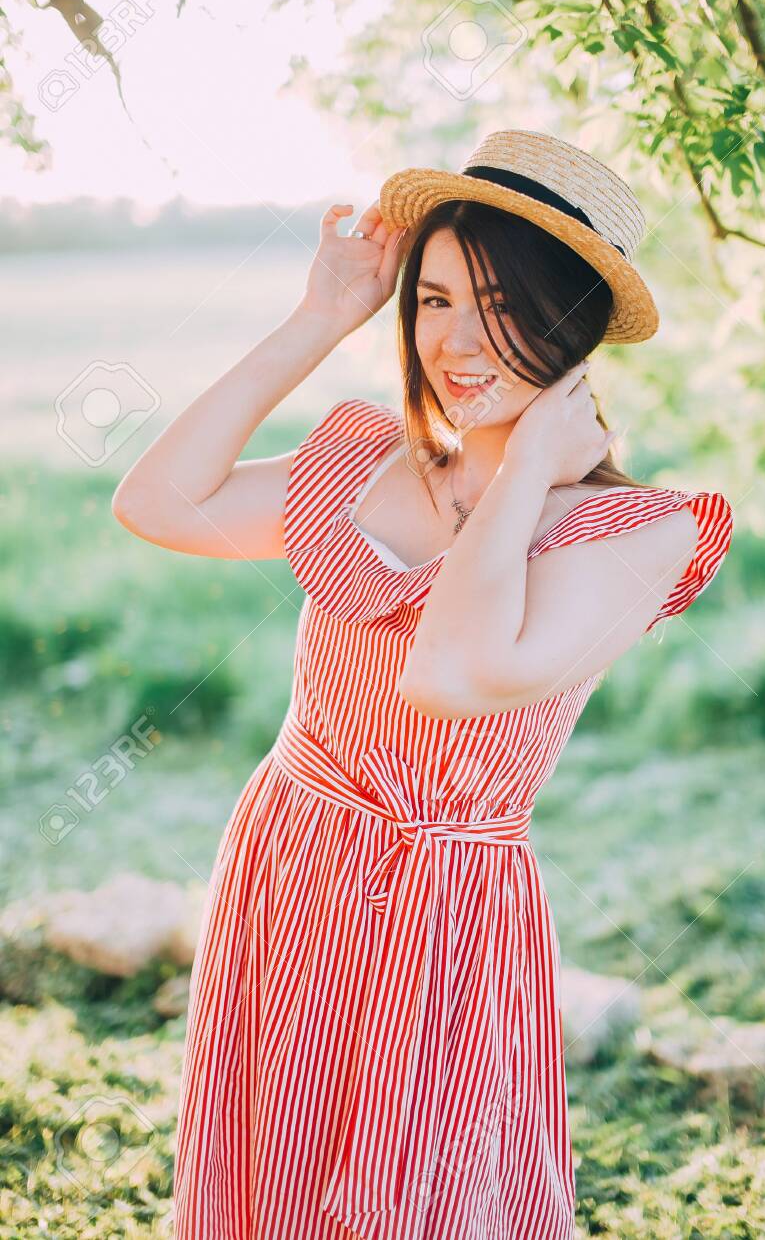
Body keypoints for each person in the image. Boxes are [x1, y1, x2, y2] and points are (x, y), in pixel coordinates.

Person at [112, 128, 733, 1240]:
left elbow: (451, 673)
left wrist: (533, 468)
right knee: (273, 1170)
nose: (454, 338)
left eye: (496, 301)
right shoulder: (369, 466)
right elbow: (156, 502)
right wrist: (318, 319)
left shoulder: (637, 532)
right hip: (290, 856)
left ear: (574, 323)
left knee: (424, 1197)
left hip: (446, 908)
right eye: (432, 297)